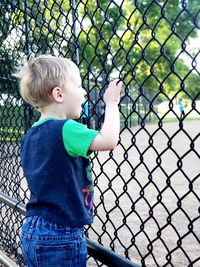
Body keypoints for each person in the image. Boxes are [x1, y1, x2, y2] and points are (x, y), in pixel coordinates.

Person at [18, 55, 122, 267]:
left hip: (32, 228)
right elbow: (109, 140)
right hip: (60, 233)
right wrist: (111, 104)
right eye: (79, 85)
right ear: (58, 94)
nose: (84, 92)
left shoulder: (30, 135)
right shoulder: (66, 128)